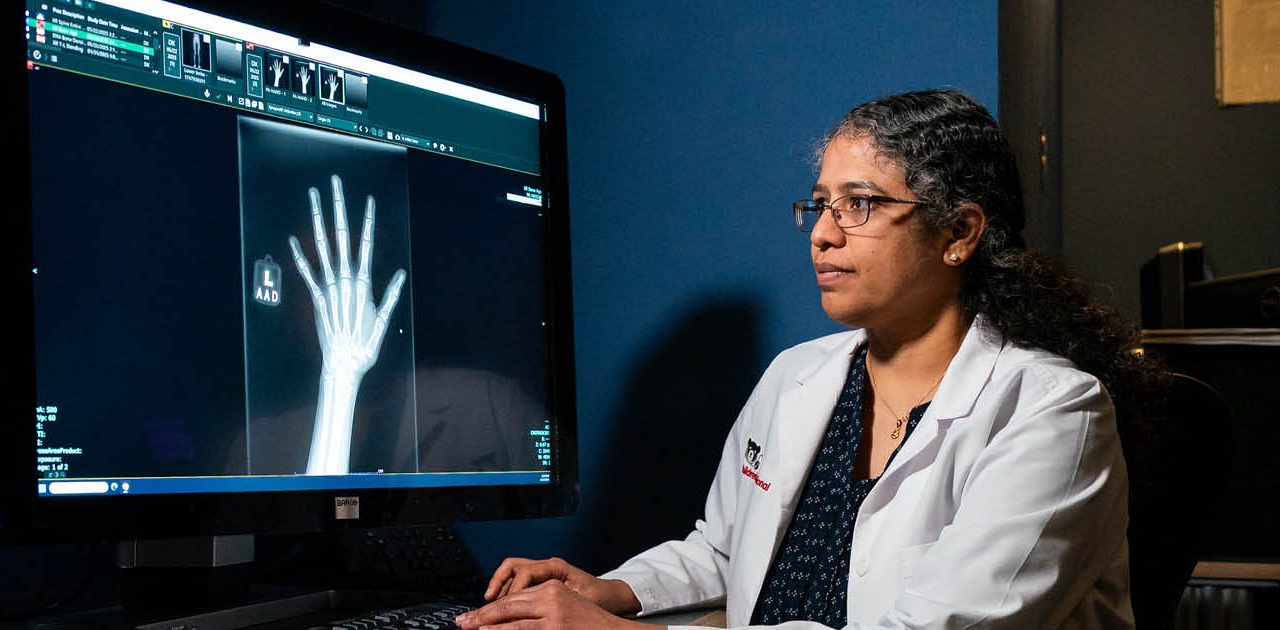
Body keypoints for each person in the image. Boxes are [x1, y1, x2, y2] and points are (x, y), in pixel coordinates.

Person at [455, 89, 1158, 629]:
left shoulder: (1052, 411)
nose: (822, 235)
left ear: (959, 232)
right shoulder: (799, 375)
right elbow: (726, 551)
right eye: (819, 205)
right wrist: (610, 590)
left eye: (859, 204)